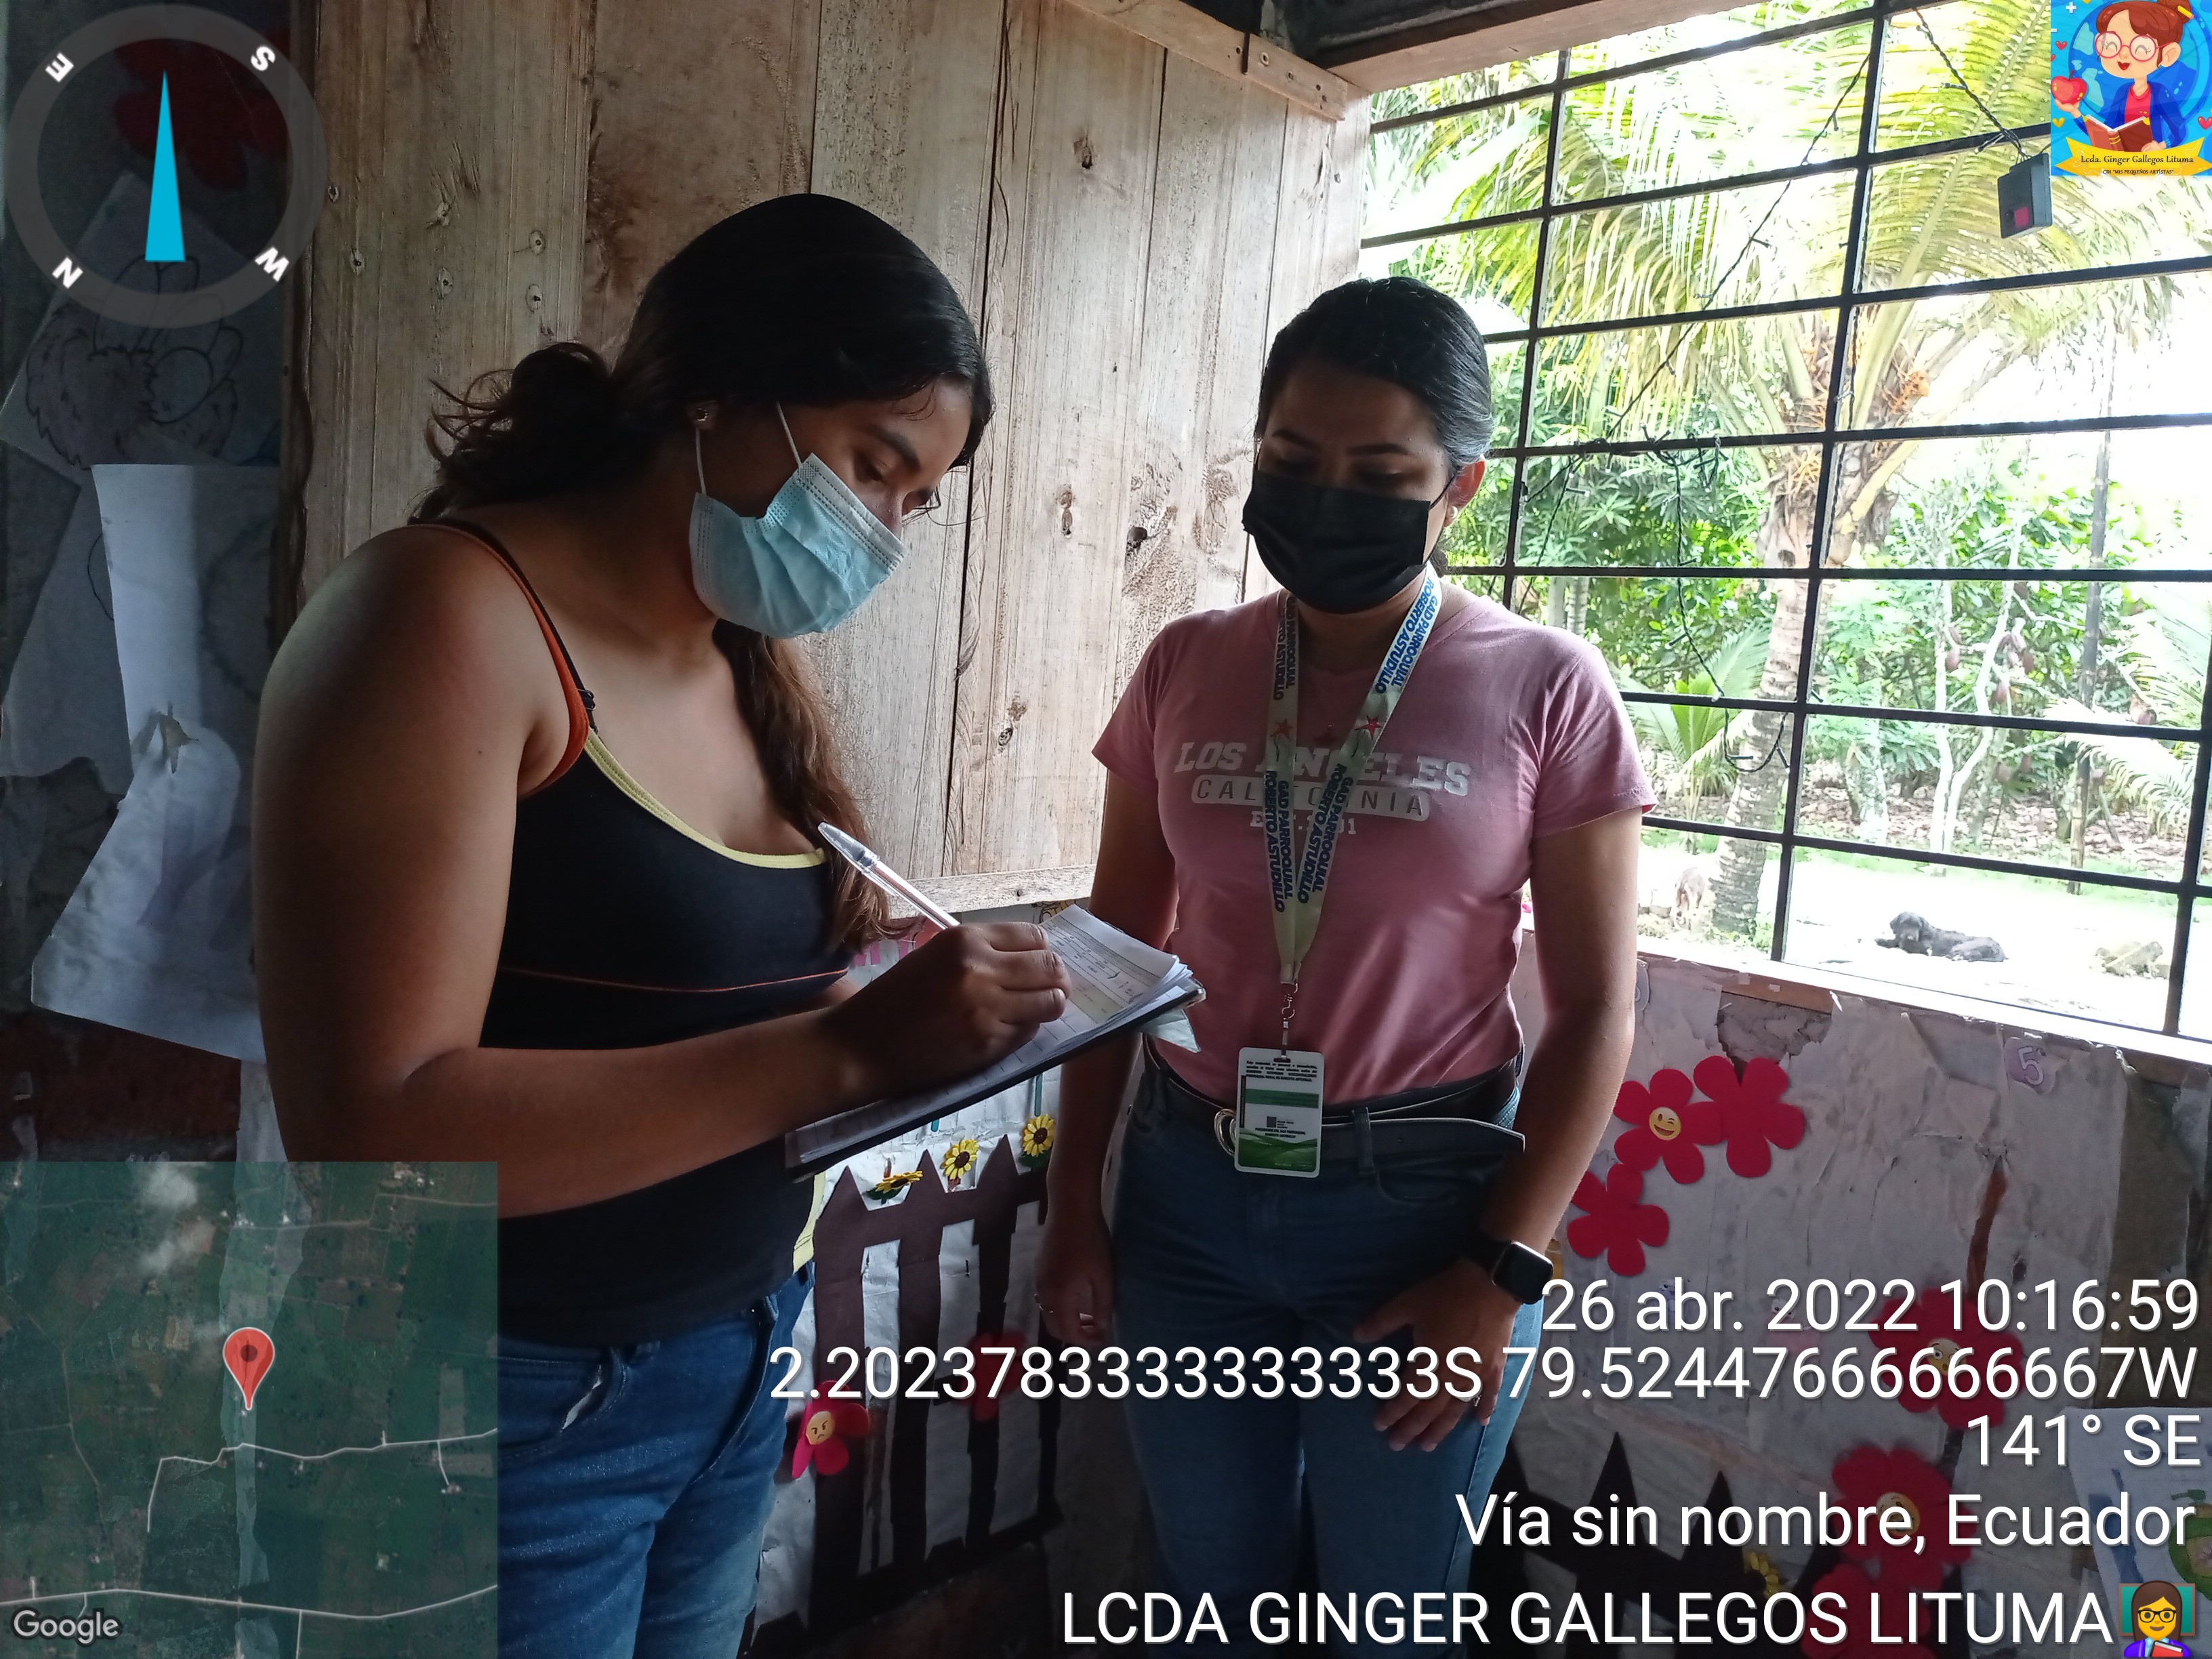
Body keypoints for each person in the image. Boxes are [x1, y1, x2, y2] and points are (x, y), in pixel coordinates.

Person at [252, 194, 1071, 1659]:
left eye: (916, 501)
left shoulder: (731, 658)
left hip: (732, 1359)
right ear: (718, 391)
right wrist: (846, 1054)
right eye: (873, 466)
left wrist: (906, 1011)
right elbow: (374, 1127)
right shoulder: (447, 617)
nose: (882, 534)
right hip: (500, 1397)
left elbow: (676, 1002)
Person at [1035, 276, 1650, 1655]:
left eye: (1381, 475)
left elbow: (1596, 1010)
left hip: (1423, 1210)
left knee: (1390, 1612)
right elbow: (1115, 957)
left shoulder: (1548, 685)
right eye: (1293, 460)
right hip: (1189, 1198)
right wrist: (1079, 1204)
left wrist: (1497, 1275)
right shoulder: (1184, 664)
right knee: (1212, 1598)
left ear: (1460, 486)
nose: (1327, 501)